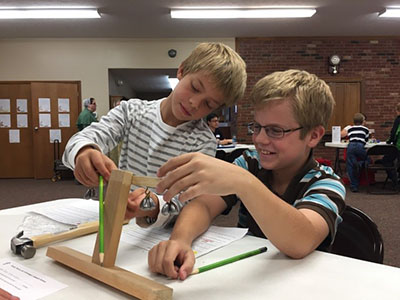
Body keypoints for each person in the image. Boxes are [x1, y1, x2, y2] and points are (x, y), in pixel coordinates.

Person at [149, 69, 346, 280]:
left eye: (275, 130)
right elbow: (204, 205)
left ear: (313, 135)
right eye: (257, 127)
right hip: (251, 276)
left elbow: (300, 241)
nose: (260, 139)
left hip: (302, 283)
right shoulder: (250, 163)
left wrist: (244, 183)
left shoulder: (327, 183)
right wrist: (180, 240)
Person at [62, 42, 247, 226]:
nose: (194, 103)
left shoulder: (204, 141)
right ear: (181, 71)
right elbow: (82, 139)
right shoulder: (131, 111)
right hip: (119, 223)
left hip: (164, 232)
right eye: (195, 88)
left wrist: (153, 205)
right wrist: (84, 152)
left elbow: (190, 199)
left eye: (208, 104)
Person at [342, 113, 370, 192]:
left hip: (351, 146)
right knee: (368, 159)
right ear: (363, 121)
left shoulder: (350, 129)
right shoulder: (365, 129)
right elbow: (366, 140)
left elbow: (349, 136)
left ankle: (354, 186)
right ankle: (360, 164)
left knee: (350, 165)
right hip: (360, 146)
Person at [383, 102, 400, 183]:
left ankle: (394, 179)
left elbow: (394, 133)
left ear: (398, 111)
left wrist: (389, 141)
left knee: (386, 160)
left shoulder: (398, 119)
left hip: (398, 147)